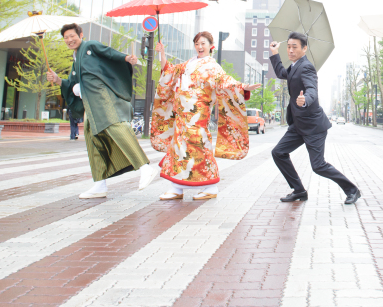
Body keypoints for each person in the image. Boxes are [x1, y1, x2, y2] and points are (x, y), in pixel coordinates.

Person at [47, 24, 159, 199]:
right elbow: (72, 82)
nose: (69, 40)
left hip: (101, 95)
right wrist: (58, 79)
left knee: (115, 126)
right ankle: (99, 183)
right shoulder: (75, 58)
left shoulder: (89, 46)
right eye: (66, 38)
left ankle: (145, 167)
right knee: (93, 137)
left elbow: (109, 53)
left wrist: (126, 58)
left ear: (80, 35)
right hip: (90, 102)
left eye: (72, 36)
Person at [151, 32, 260, 201]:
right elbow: (169, 71)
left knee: (199, 145)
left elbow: (226, 81)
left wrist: (244, 86)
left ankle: (211, 186)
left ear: (211, 46)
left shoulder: (212, 66)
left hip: (197, 112)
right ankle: (176, 187)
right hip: (182, 112)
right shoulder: (189, 63)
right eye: (196, 43)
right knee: (178, 146)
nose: (199, 47)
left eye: (203, 43)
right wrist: (162, 53)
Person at [269, 33, 361, 204]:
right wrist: (275, 53)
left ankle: (352, 190)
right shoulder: (294, 65)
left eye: (294, 47)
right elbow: (282, 73)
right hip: (298, 124)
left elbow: (312, 88)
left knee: (318, 166)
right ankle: (299, 190)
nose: (290, 50)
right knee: (278, 153)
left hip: (313, 126)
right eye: (288, 46)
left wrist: (305, 100)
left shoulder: (306, 67)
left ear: (304, 48)